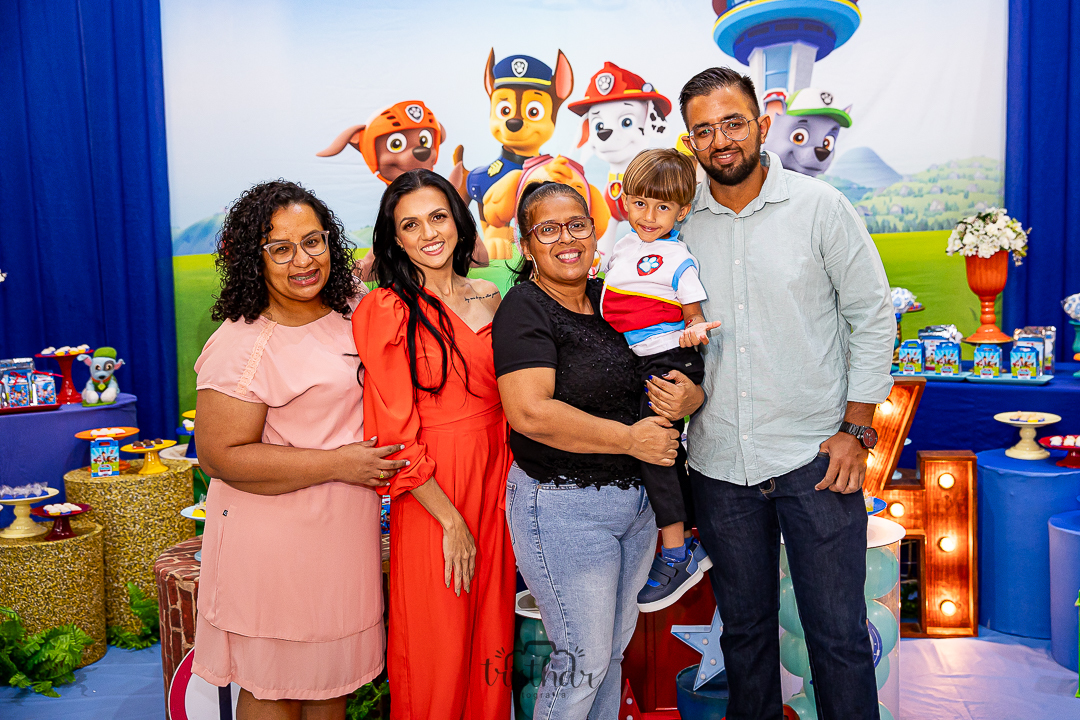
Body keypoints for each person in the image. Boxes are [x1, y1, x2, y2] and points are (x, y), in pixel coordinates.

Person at [677, 67, 896, 720]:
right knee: (744, 640)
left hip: (817, 460)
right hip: (718, 466)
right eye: (704, 130)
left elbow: (871, 315)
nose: (721, 140)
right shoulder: (677, 223)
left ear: (763, 125)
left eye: (733, 122)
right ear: (690, 141)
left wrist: (856, 430)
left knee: (838, 638)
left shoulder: (820, 207)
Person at [193, 180, 407, 720]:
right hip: (274, 549)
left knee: (331, 685)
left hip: (342, 541)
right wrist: (340, 464)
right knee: (274, 688)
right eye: (281, 249)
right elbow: (219, 457)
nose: (303, 260)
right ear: (254, 258)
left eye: (313, 241)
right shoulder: (243, 343)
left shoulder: (351, 310)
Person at [493, 181, 705, 720]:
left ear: (595, 231)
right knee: (582, 663)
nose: (566, 239)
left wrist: (692, 395)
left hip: (637, 507)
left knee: (609, 657)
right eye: (548, 229)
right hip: (564, 507)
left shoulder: (615, 294)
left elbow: (664, 360)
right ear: (525, 245)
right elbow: (529, 412)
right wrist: (630, 439)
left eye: (577, 225)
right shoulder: (525, 309)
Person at [351, 169, 514, 720]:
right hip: (433, 494)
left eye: (438, 217)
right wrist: (449, 521)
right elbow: (392, 436)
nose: (428, 234)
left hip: (498, 483)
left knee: (491, 643)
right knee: (437, 651)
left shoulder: (490, 295)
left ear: (459, 221)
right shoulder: (385, 309)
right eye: (411, 225)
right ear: (395, 239)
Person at [598, 148, 722, 612]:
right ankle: (693, 538)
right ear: (625, 201)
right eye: (640, 203)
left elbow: (693, 314)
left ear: (682, 211)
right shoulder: (624, 245)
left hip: (670, 361)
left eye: (663, 206)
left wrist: (695, 332)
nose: (649, 216)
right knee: (664, 451)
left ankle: (675, 552)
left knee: (654, 450)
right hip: (640, 360)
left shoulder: (678, 258)